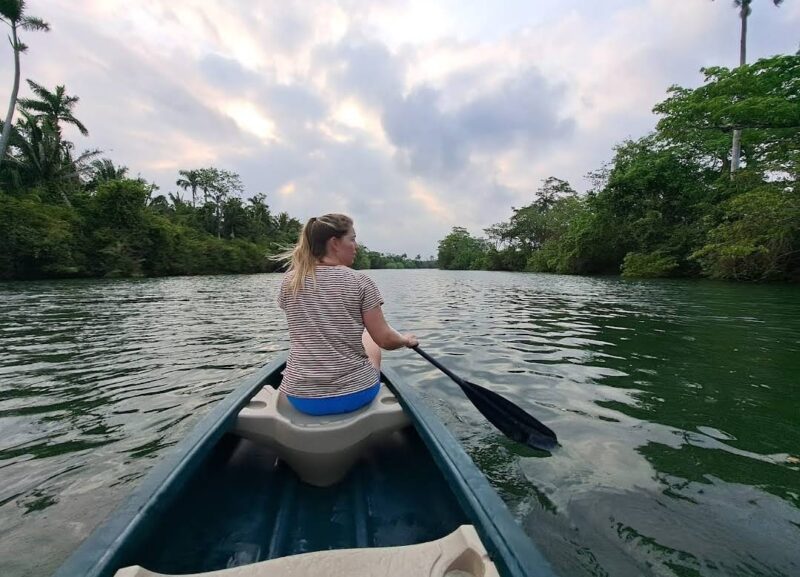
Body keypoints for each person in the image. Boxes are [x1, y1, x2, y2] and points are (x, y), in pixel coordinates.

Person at [277, 213, 418, 416]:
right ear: (334, 243)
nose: (356, 246)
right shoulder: (360, 281)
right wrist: (405, 340)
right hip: (356, 394)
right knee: (369, 337)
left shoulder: (290, 281)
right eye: (352, 239)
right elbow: (385, 340)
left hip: (301, 398)